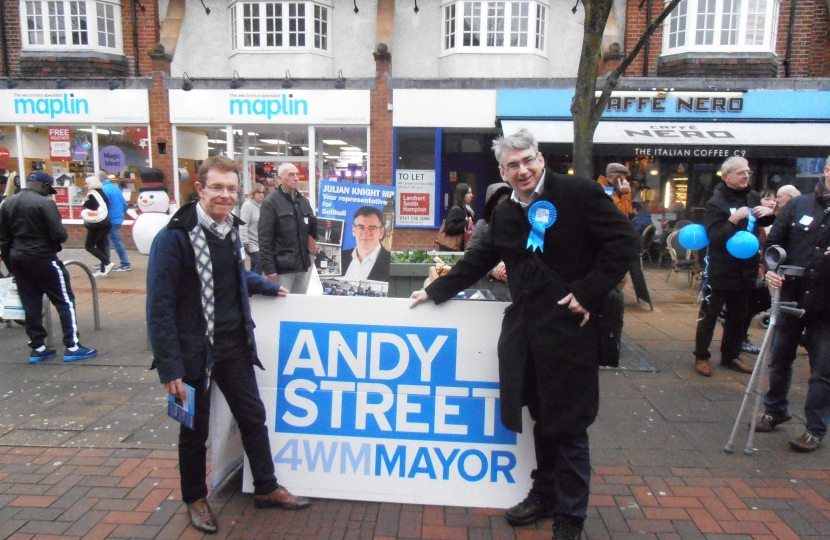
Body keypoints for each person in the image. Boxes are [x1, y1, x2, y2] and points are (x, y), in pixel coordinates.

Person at [410, 130, 636, 540]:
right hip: (527, 334)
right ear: (502, 171)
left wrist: (588, 293)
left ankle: (571, 517)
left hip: (569, 331)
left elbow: (624, 243)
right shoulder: (505, 213)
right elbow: (479, 258)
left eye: (527, 160)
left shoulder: (578, 193)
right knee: (541, 418)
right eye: (512, 165)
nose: (522, 170)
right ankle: (544, 493)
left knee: (567, 425)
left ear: (541, 159)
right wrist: (434, 289)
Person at [146, 156, 311, 534]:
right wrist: (170, 368)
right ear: (200, 189)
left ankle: (265, 487)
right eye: (217, 187)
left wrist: (269, 286)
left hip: (234, 344)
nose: (225, 195)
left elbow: (235, 276)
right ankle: (195, 498)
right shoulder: (174, 237)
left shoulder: (229, 230)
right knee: (192, 429)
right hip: (192, 352)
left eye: (231, 189)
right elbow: (159, 306)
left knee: (253, 417)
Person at [753, 156, 830, 453]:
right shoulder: (799, 205)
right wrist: (771, 270)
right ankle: (775, 409)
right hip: (792, 296)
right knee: (780, 357)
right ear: (825, 171)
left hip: (826, 304)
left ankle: (814, 428)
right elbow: (775, 244)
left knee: (822, 368)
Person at [0, 171, 97, 363]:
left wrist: (11, 265)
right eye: (48, 189)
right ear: (43, 186)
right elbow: (59, 234)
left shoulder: (7, 203)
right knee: (64, 301)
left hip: (18, 258)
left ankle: (38, 347)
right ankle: (72, 345)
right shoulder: (45, 203)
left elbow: (3, 238)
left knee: (31, 304)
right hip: (44, 257)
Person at [693, 157, 774, 377]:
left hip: (745, 268)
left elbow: (758, 225)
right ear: (726, 176)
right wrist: (732, 220)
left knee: (739, 317)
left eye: (748, 172)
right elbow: (715, 237)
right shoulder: (715, 203)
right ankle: (701, 356)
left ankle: (730, 356)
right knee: (709, 315)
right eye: (741, 173)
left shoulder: (753, 195)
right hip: (721, 269)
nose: (746, 176)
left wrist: (769, 215)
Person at [259, 163, 317, 293]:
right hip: (282, 268)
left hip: (301, 265)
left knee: (299, 306)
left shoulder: (303, 201)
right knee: (282, 307)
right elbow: (264, 239)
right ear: (280, 178)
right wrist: (269, 269)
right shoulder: (271, 203)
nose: (296, 178)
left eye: (297, 174)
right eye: (291, 175)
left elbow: (314, 229)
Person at [740, 190, 777, 355]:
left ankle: (738, 333)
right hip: (755, 270)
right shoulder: (752, 221)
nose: (772, 202)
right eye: (767, 198)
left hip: (767, 270)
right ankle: (740, 337)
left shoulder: (774, 220)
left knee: (763, 301)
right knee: (751, 303)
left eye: (774, 199)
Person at [465, 182, 512, 301]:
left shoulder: (519, 223)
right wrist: (492, 269)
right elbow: (470, 253)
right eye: (500, 199)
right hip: (488, 291)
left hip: (513, 290)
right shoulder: (482, 225)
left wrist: (508, 264)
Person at [340, 206, 391, 282]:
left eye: (372, 228)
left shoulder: (391, 263)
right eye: (361, 227)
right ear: (353, 230)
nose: (366, 233)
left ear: (381, 232)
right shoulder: (339, 258)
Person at [82, 175, 114, 277]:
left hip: (97, 225)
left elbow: (92, 207)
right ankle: (103, 269)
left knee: (89, 246)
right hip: (106, 223)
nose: (86, 185)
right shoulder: (102, 193)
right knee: (101, 245)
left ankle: (107, 263)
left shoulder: (92, 194)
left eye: (87, 183)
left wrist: (85, 202)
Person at [99, 172, 131, 272]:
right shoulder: (115, 188)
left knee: (115, 242)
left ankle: (125, 264)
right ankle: (105, 262)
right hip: (117, 218)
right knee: (107, 241)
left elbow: (103, 206)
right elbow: (124, 204)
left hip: (110, 219)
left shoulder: (104, 190)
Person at [240, 183, 266, 275]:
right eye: (258, 192)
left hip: (260, 241)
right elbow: (243, 224)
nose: (261, 194)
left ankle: (249, 284)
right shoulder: (247, 206)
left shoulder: (263, 206)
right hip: (250, 242)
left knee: (255, 264)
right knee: (260, 262)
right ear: (253, 193)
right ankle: (256, 284)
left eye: (263, 192)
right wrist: (245, 241)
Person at [440, 182, 475, 251]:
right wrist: (466, 222)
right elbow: (449, 228)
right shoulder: (457, 210)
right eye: (468, 193)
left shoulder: (467, 209)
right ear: (462, 195)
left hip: (461, 247)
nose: (471, 195)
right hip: (453, 249)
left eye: (471, 193)